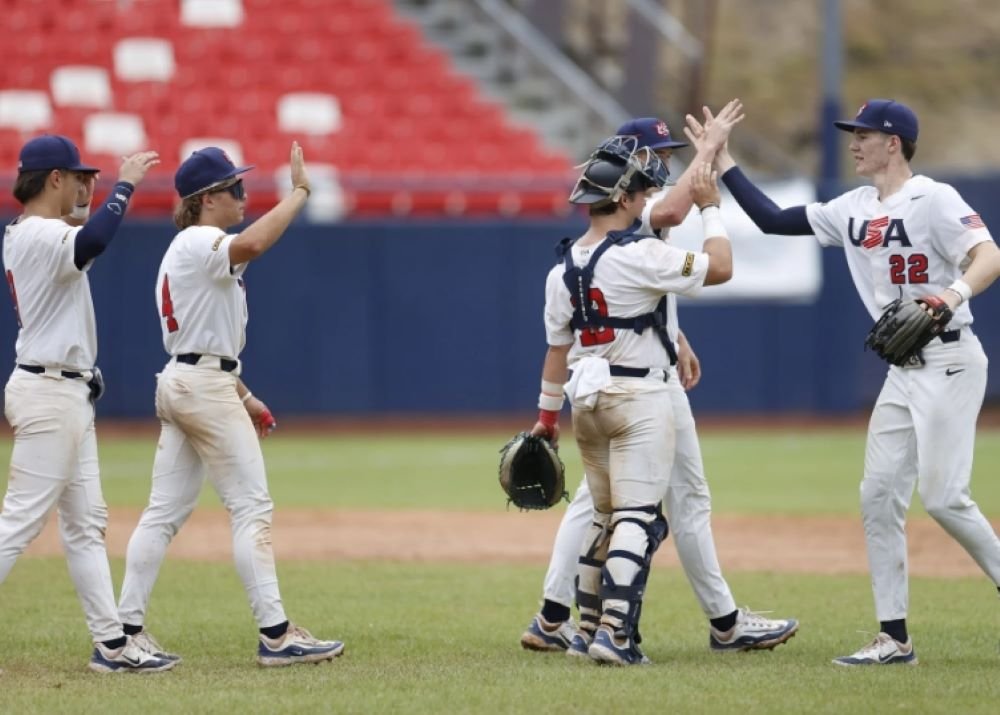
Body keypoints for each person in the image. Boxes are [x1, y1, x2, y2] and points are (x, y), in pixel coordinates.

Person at [695, 98, 1000, 666]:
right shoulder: (853, 207)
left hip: (951, 360)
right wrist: (725, 158)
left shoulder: (933, 198)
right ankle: (894, 638)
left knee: (943, 497)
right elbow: (771, 219)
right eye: (852, 134)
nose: (853, 143)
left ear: (894, 142)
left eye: (864, 134)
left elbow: (988, 255)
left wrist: (951, 294)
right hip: (902, 372)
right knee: (878, 498)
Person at [520, 114, 800, 656]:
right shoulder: (640, 218)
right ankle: (612, 631)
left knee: (607, 509)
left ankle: (573, 622)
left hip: (594, 387)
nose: (663, 163)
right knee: (638, 515)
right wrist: (711, 162)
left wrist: (673, 334)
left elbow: (574, 334)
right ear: (625, 178)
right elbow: (685, 225)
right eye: (656, 153)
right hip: (641, 389)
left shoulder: (563, 266)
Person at [116, 143, 345, 667]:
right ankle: (277, 634)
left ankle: (125, 629)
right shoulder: (201, 239)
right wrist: (300, 194)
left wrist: (245, 395)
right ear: (208, 198)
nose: (243, 195)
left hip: (188, 379)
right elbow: (254, 245)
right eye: (235, 188)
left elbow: (205, 344)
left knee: (163, 514)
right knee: (252, 509)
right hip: (200, 385)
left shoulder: (186, 248)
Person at [0, 135, 173, 673]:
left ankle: (112, 645)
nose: (86, 186)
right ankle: (113, 643)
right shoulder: (40, 233)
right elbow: (92, 240)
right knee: (19, 522)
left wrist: (100, 196)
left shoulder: (36, 232)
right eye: (79, 178)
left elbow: (84, 234)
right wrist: (124, 185)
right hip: (50, 392)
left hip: (65, 389)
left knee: (85, 524)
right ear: (54, 179)